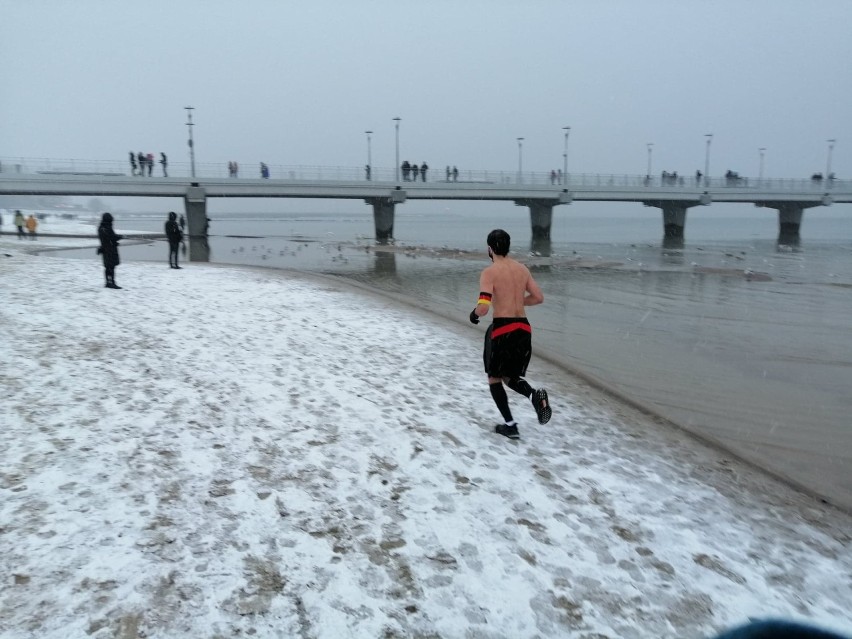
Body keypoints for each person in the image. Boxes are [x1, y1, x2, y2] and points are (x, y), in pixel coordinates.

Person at [469, 229, 551, 439]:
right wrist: (515, 300)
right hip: (523, 329)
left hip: (503, 329)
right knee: (510, 376)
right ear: (508, 247)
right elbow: (539, 297)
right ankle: (534, 396)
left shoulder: (490, 272)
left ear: (489, 249)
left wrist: (474, 314)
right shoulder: (522, 269)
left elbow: (484, 307)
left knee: (494, 378)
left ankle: (510, 425)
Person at [97, 212, 124, 289]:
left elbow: (110, 238)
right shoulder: (105, 228)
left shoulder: (102, 227)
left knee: (109, 266)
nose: (112, 222)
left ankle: (109, 282)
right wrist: (120, 237)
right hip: (109, 250)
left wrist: (115, 241)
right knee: (110, 266)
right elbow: (112, 237)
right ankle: (110, 282)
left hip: (107, 249)